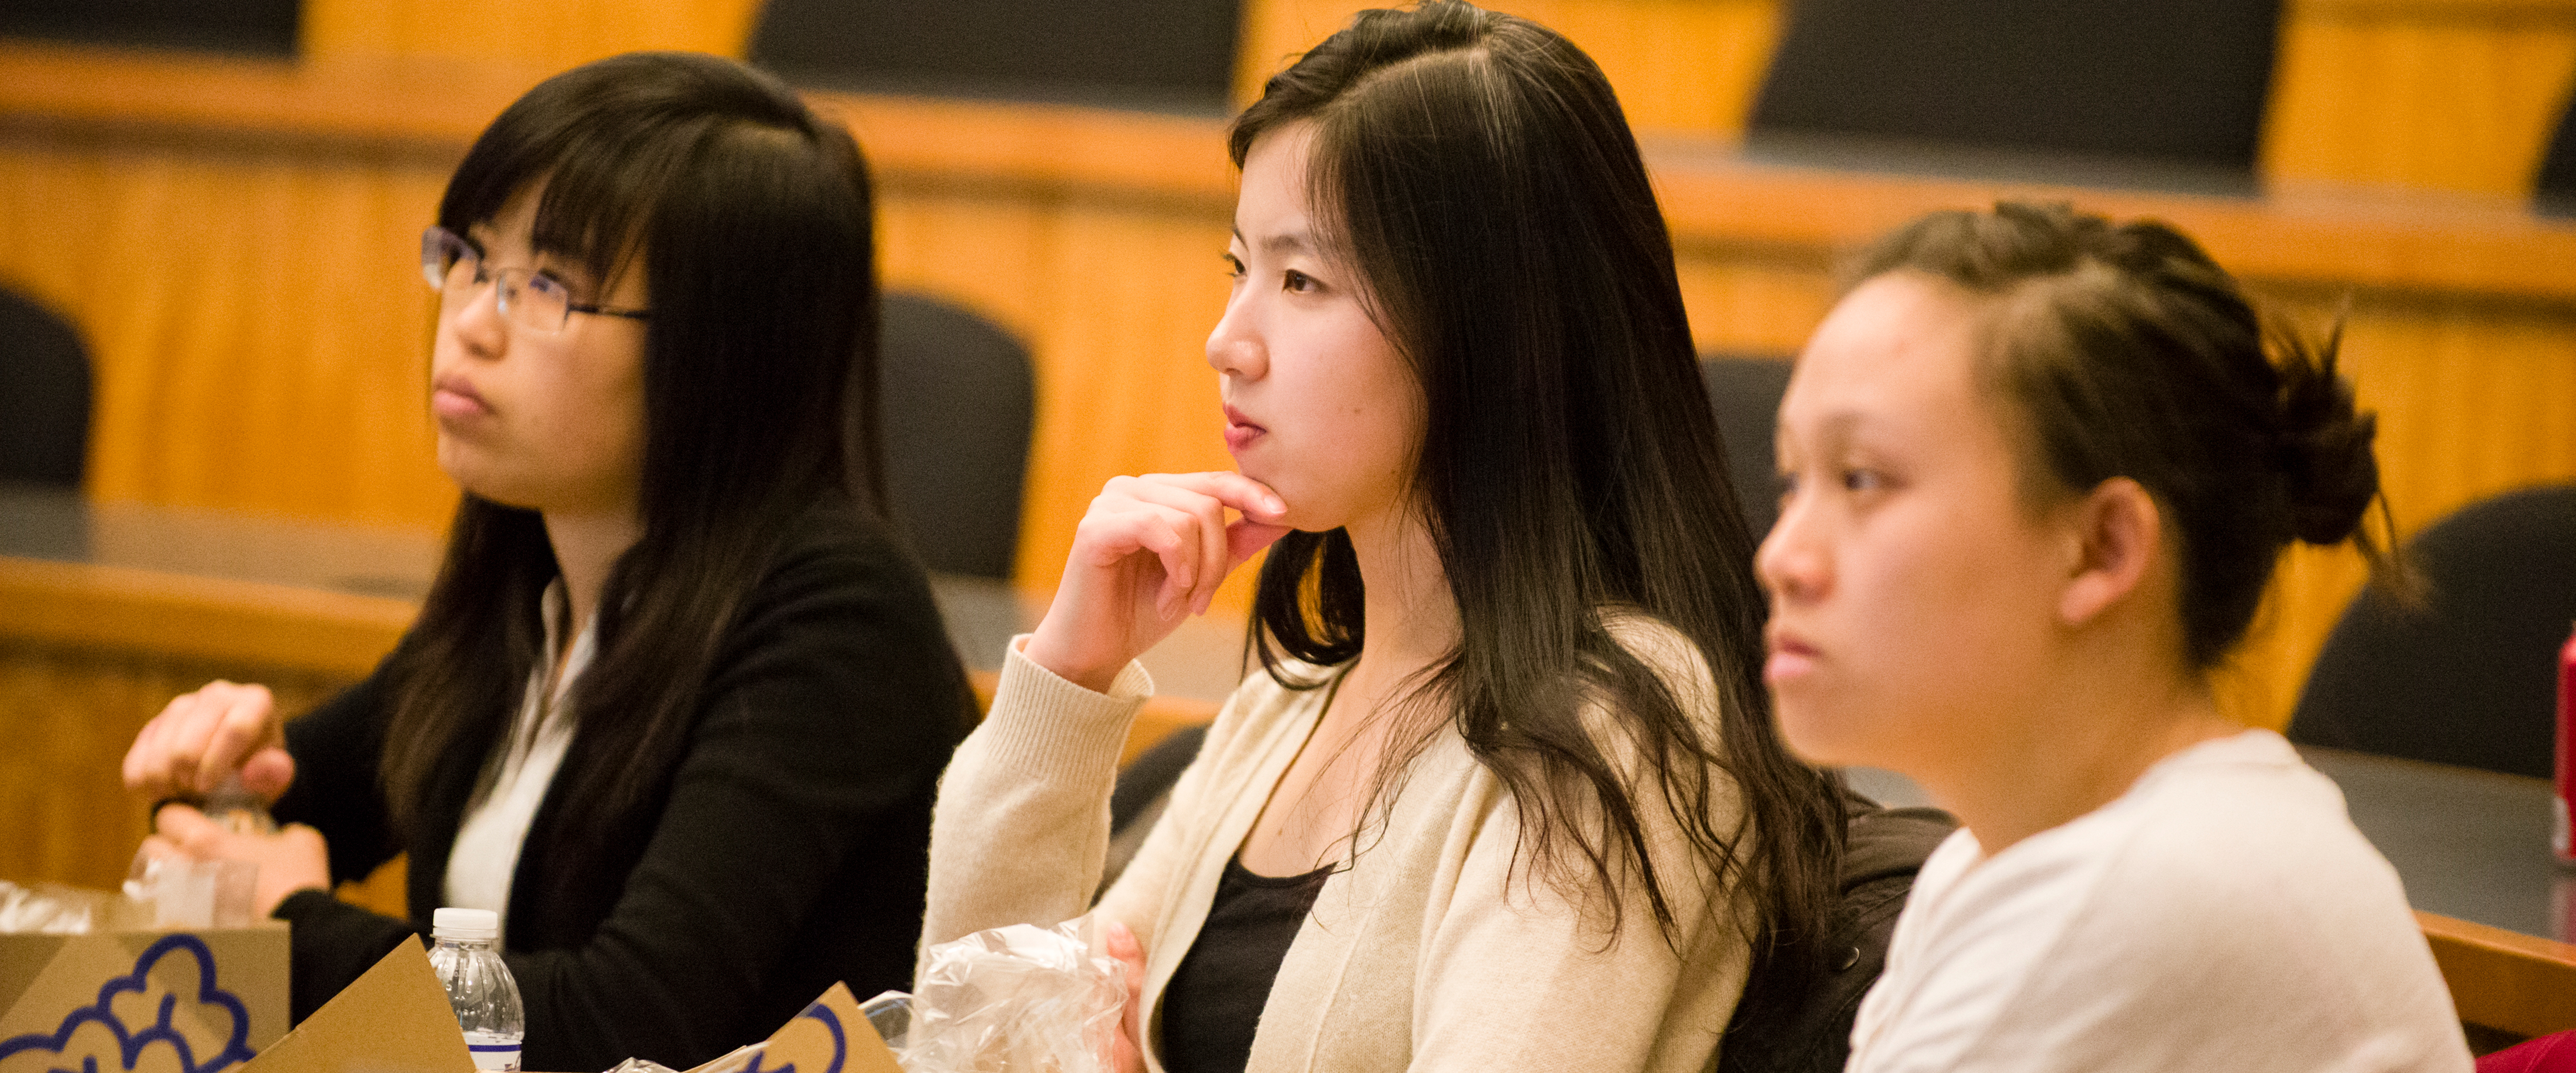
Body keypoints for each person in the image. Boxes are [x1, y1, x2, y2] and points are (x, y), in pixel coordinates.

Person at [921, 5, 1847, 1072]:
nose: (1229, 340)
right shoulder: (1294, 699)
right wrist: (1070, 685)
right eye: (1239, 267)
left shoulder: (1615, 732)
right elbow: (968, 1043)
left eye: (1301, 281)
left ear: (1488, 328)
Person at [117, 52, 974, 1072]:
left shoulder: (836, 616)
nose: (470, 323)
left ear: (717, 352)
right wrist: (225, 777)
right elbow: (290, 818)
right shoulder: (536, 572)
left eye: (548, 286)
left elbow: (619, 1027)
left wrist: (290, 915)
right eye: (472, 260)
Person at [1757, 201, 2473, 1071]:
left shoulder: (2142, 893)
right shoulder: (2002, 863)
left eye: (1863, 479)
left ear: (2102, 548)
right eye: (1794, 481)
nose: (1781, 557)